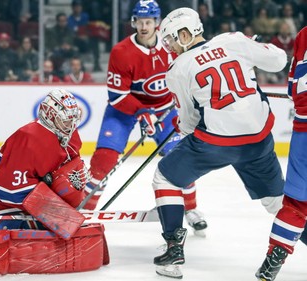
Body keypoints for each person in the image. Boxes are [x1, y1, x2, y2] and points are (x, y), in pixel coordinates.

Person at [152, 7, 289, 279]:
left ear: (185, 34)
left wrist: (185, 126)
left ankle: (173, 250)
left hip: (215, 143)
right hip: (259, 141)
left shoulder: (178, 68)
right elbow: (279, 60)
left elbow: (189, 124)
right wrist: (250, 48)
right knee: (280, 204)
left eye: (169, 40)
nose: (168, 47)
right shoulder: (231, 40)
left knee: (165, 178)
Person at [82, 0, 207, 235]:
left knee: (179, 157)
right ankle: (84, 214)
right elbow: (117, 96)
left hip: (165, 109)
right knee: (102, 163)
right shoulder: (121, 52)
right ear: (133, 22)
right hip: (124, 111)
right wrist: (142, 112)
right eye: (139, 21)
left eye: (148, 21)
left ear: (157, 23)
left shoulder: (171, 46)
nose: (143, 26)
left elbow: (188, 75)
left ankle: (191, 209)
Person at [0, 89, 108, 276]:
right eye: (66, 120)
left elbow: (68, 166)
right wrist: (53, 196)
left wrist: (72, 184)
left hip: (39, 199)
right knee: (60, 233)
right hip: (7, 208)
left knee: (70, 229)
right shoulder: (28, 138)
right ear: (50, 115)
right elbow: (5, 190)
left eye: (73, 120)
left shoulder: (69, 133)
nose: (71, 125)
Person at [256, 26, 307, 281]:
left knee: (296, 205)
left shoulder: (303, 35)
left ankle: (272, 262)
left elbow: (291, 88)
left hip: (302, 132)